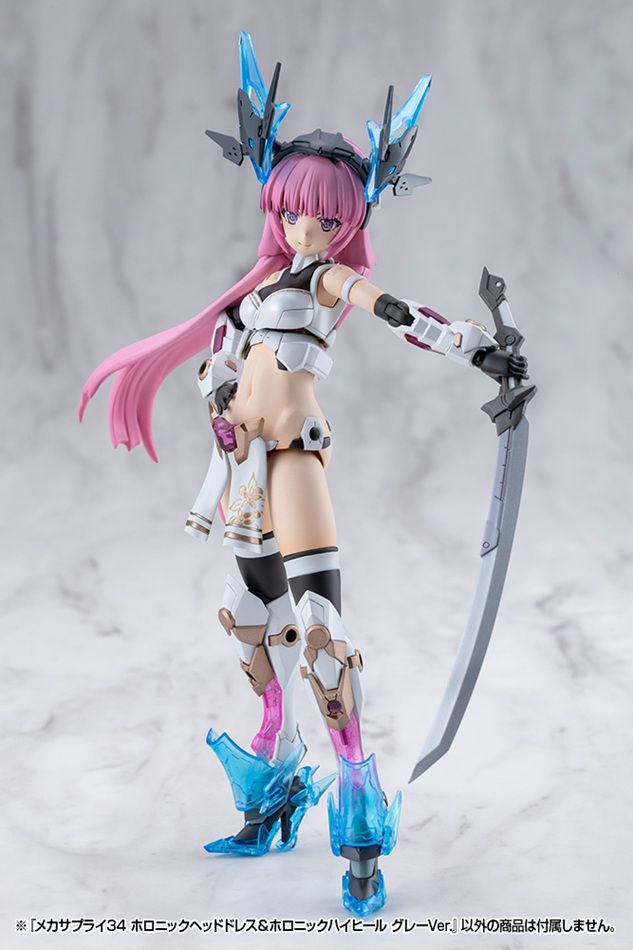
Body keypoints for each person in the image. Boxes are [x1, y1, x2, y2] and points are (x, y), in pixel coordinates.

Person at [79, 33, 527, 917]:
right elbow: (222, 364)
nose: (303, 231)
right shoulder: (253, 292)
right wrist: (217, 391)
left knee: (320, 635)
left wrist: (474, 347)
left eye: (322, 221)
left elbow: (392, 308)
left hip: (293, 463)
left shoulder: (324, 280)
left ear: (346, 225)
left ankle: (358, 826)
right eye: (291, 214)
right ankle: (276, 792)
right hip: (242, 470)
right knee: (254, 628)